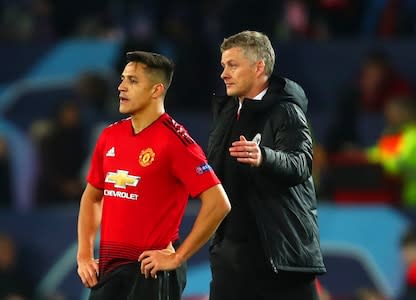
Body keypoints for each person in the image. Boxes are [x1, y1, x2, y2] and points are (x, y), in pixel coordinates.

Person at [76, 51, 231, 300]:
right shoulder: (109, 136)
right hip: (109, 270)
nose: (121, 87)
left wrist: (178, 257)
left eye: (133, 81)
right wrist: (84, 254)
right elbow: (92, 197)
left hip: (151, 272)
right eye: (123, 79)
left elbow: (219, 204)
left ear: (156, 90)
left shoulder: (176, 142)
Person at [207, 30, 326, 300]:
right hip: (231, 258)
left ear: (259, 66)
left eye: (232, 65)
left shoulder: (287, 110)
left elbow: (301, 163)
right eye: (223, 65)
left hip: (280, 259)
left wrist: (264, 156)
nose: (224, 73)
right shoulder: (226, 111)